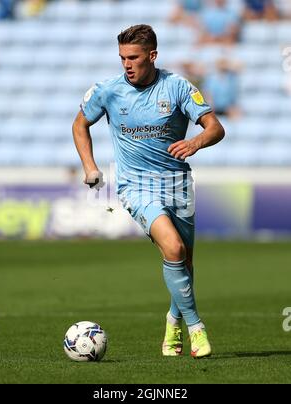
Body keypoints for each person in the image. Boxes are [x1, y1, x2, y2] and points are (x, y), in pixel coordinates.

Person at [72, 24, 225, 359]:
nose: (127, 64)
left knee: (184, 261)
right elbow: (80, 124)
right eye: (122, 57)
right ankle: (197, 328)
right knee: (172, 247)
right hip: (136, 186)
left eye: (134, 57)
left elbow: (215, 127)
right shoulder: (107, 90)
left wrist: (196, 141)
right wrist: (90, 167)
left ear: (152, 56)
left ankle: (173, 322)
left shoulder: (178, 87)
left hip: (178, 184)